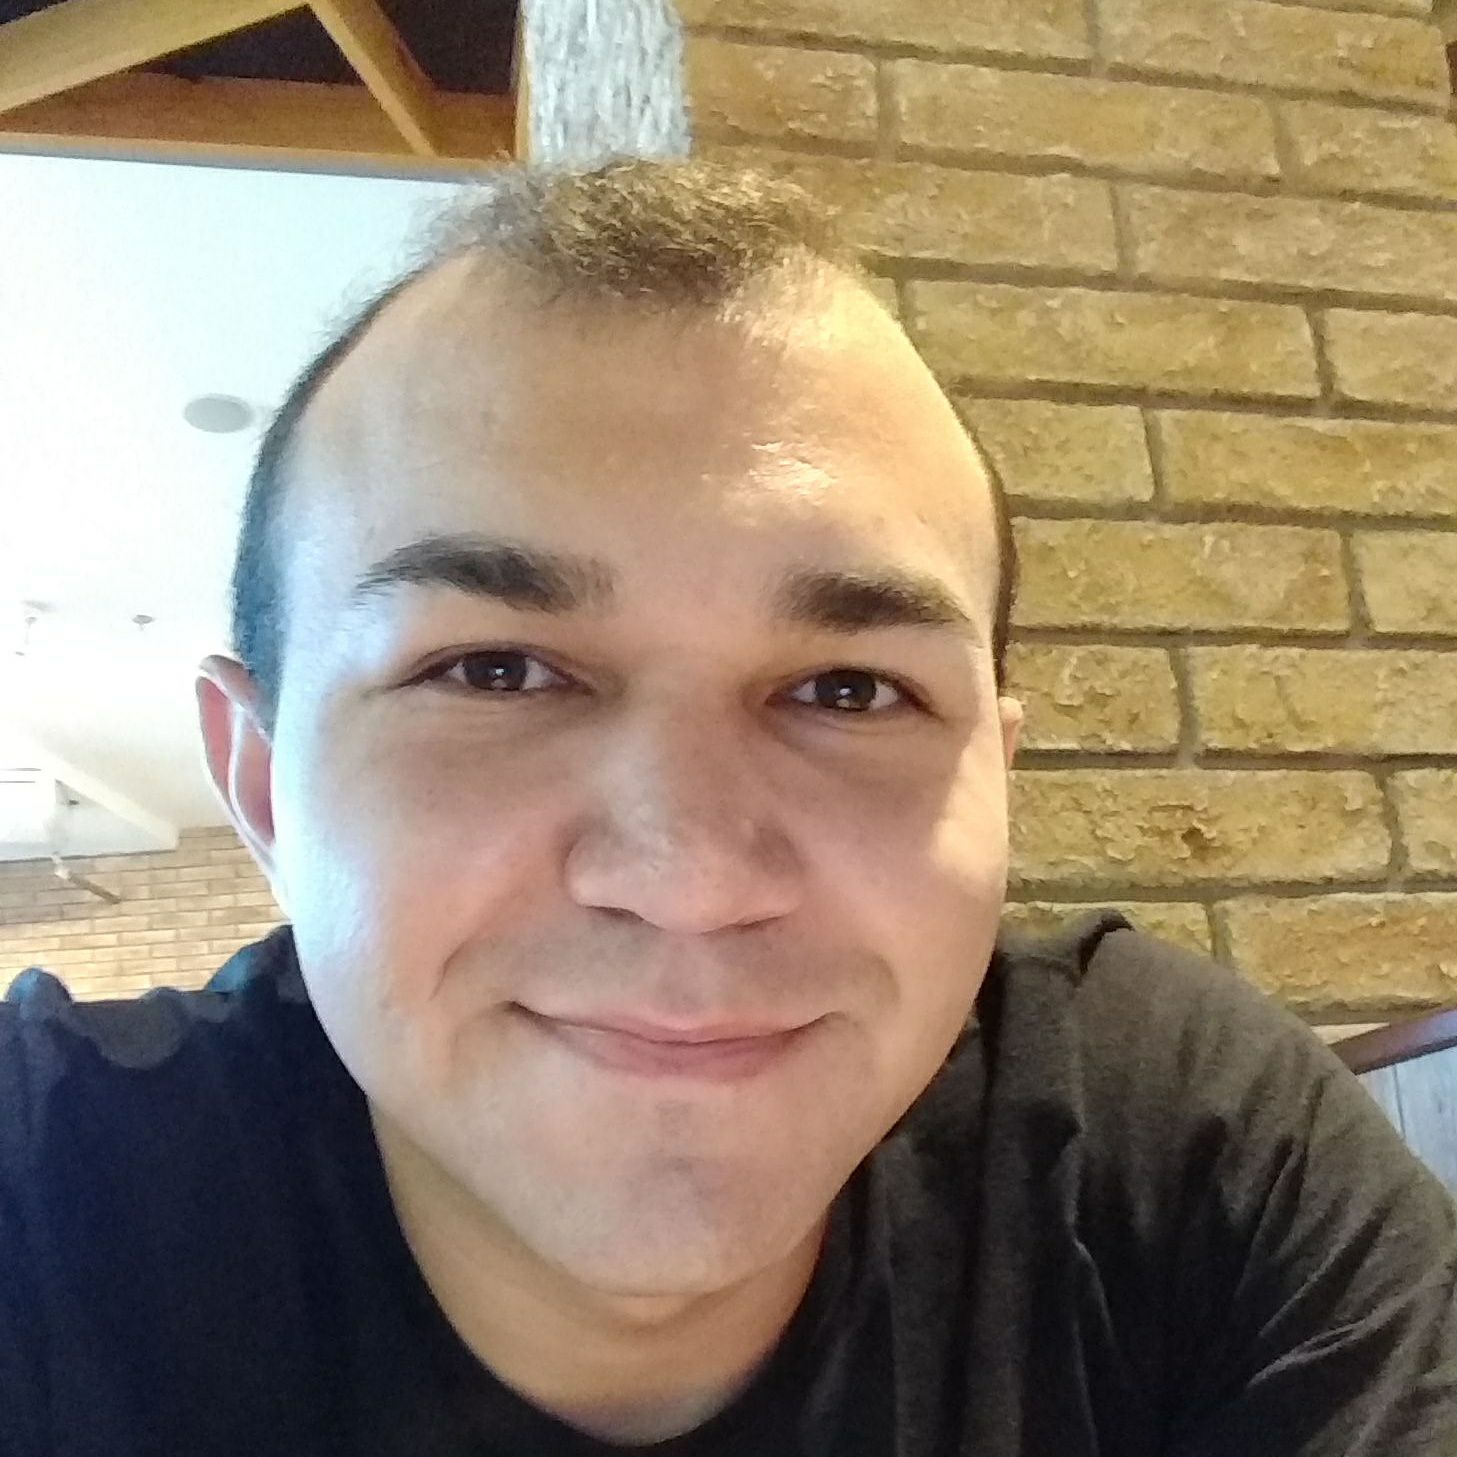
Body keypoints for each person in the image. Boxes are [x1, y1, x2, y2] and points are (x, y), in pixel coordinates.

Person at [2, 158, 1453, 1457]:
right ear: (263, 782)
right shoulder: (42, 1194)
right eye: (495, 671)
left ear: (994, 776)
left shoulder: (1187, 1159)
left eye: (848, 690)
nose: (690, 874)